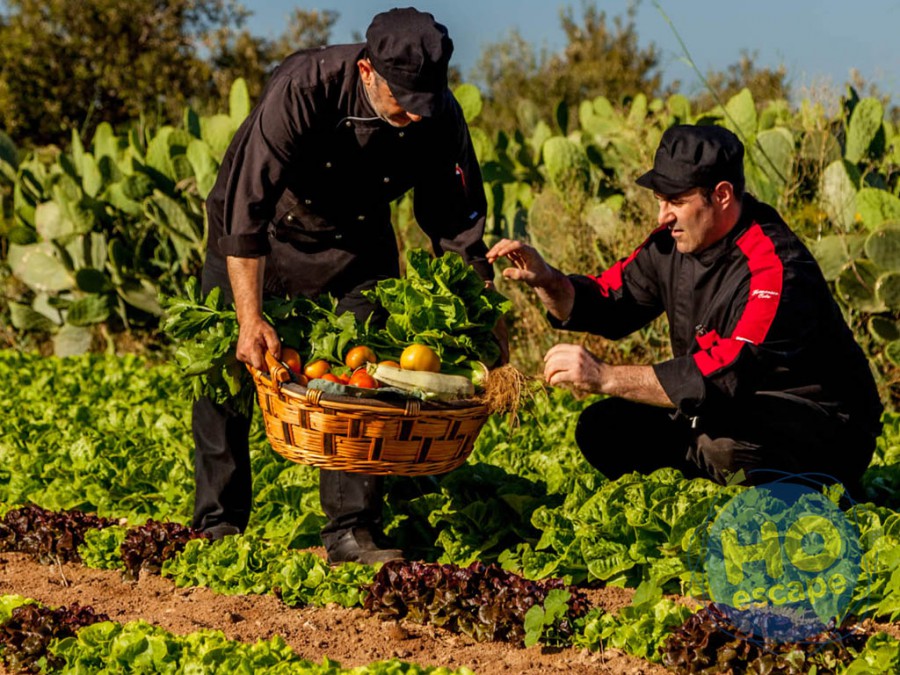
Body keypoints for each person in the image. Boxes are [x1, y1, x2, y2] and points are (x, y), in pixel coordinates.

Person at [194, 7, 502, 563]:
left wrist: (489, 327)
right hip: (262, 234)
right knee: (225, 377)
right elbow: (245, 214)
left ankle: (350, 531)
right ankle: (218, 524)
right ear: (367, 72)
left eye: (423, 102)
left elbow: (458, 232)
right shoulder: (304, 89)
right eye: (401, 100)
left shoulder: (439, 118)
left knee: (360, 376)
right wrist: (248, 318)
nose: (412, 115)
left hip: (358, 246)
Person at [487, 124, 883, 496]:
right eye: (660, 201)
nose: (663, 216)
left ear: (722, 195)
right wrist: (547, 280)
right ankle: (696, 502)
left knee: (722, 448)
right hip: (728, 412)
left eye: (676, 201)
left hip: (822, 426)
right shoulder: (670, 243)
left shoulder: (775, 268)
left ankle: (814, 497)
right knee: (602, 428)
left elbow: (727, 372)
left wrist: (605, 376)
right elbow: (607, 302)